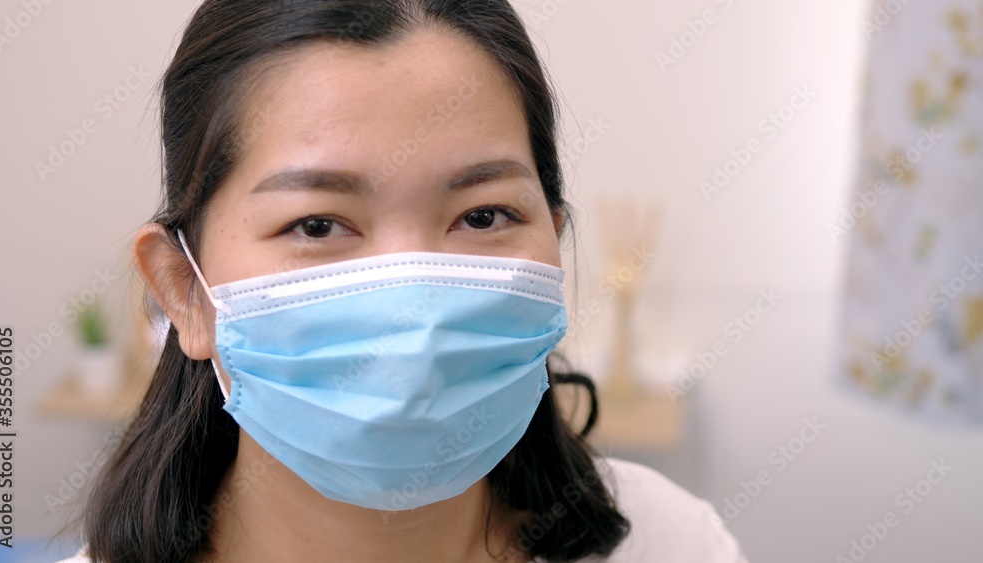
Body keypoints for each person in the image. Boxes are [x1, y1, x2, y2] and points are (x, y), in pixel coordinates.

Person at [62, 1, 750, 561]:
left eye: (483, 215)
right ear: (185, 288)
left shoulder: (672, 542)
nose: (415, 306)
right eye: (318, 225)